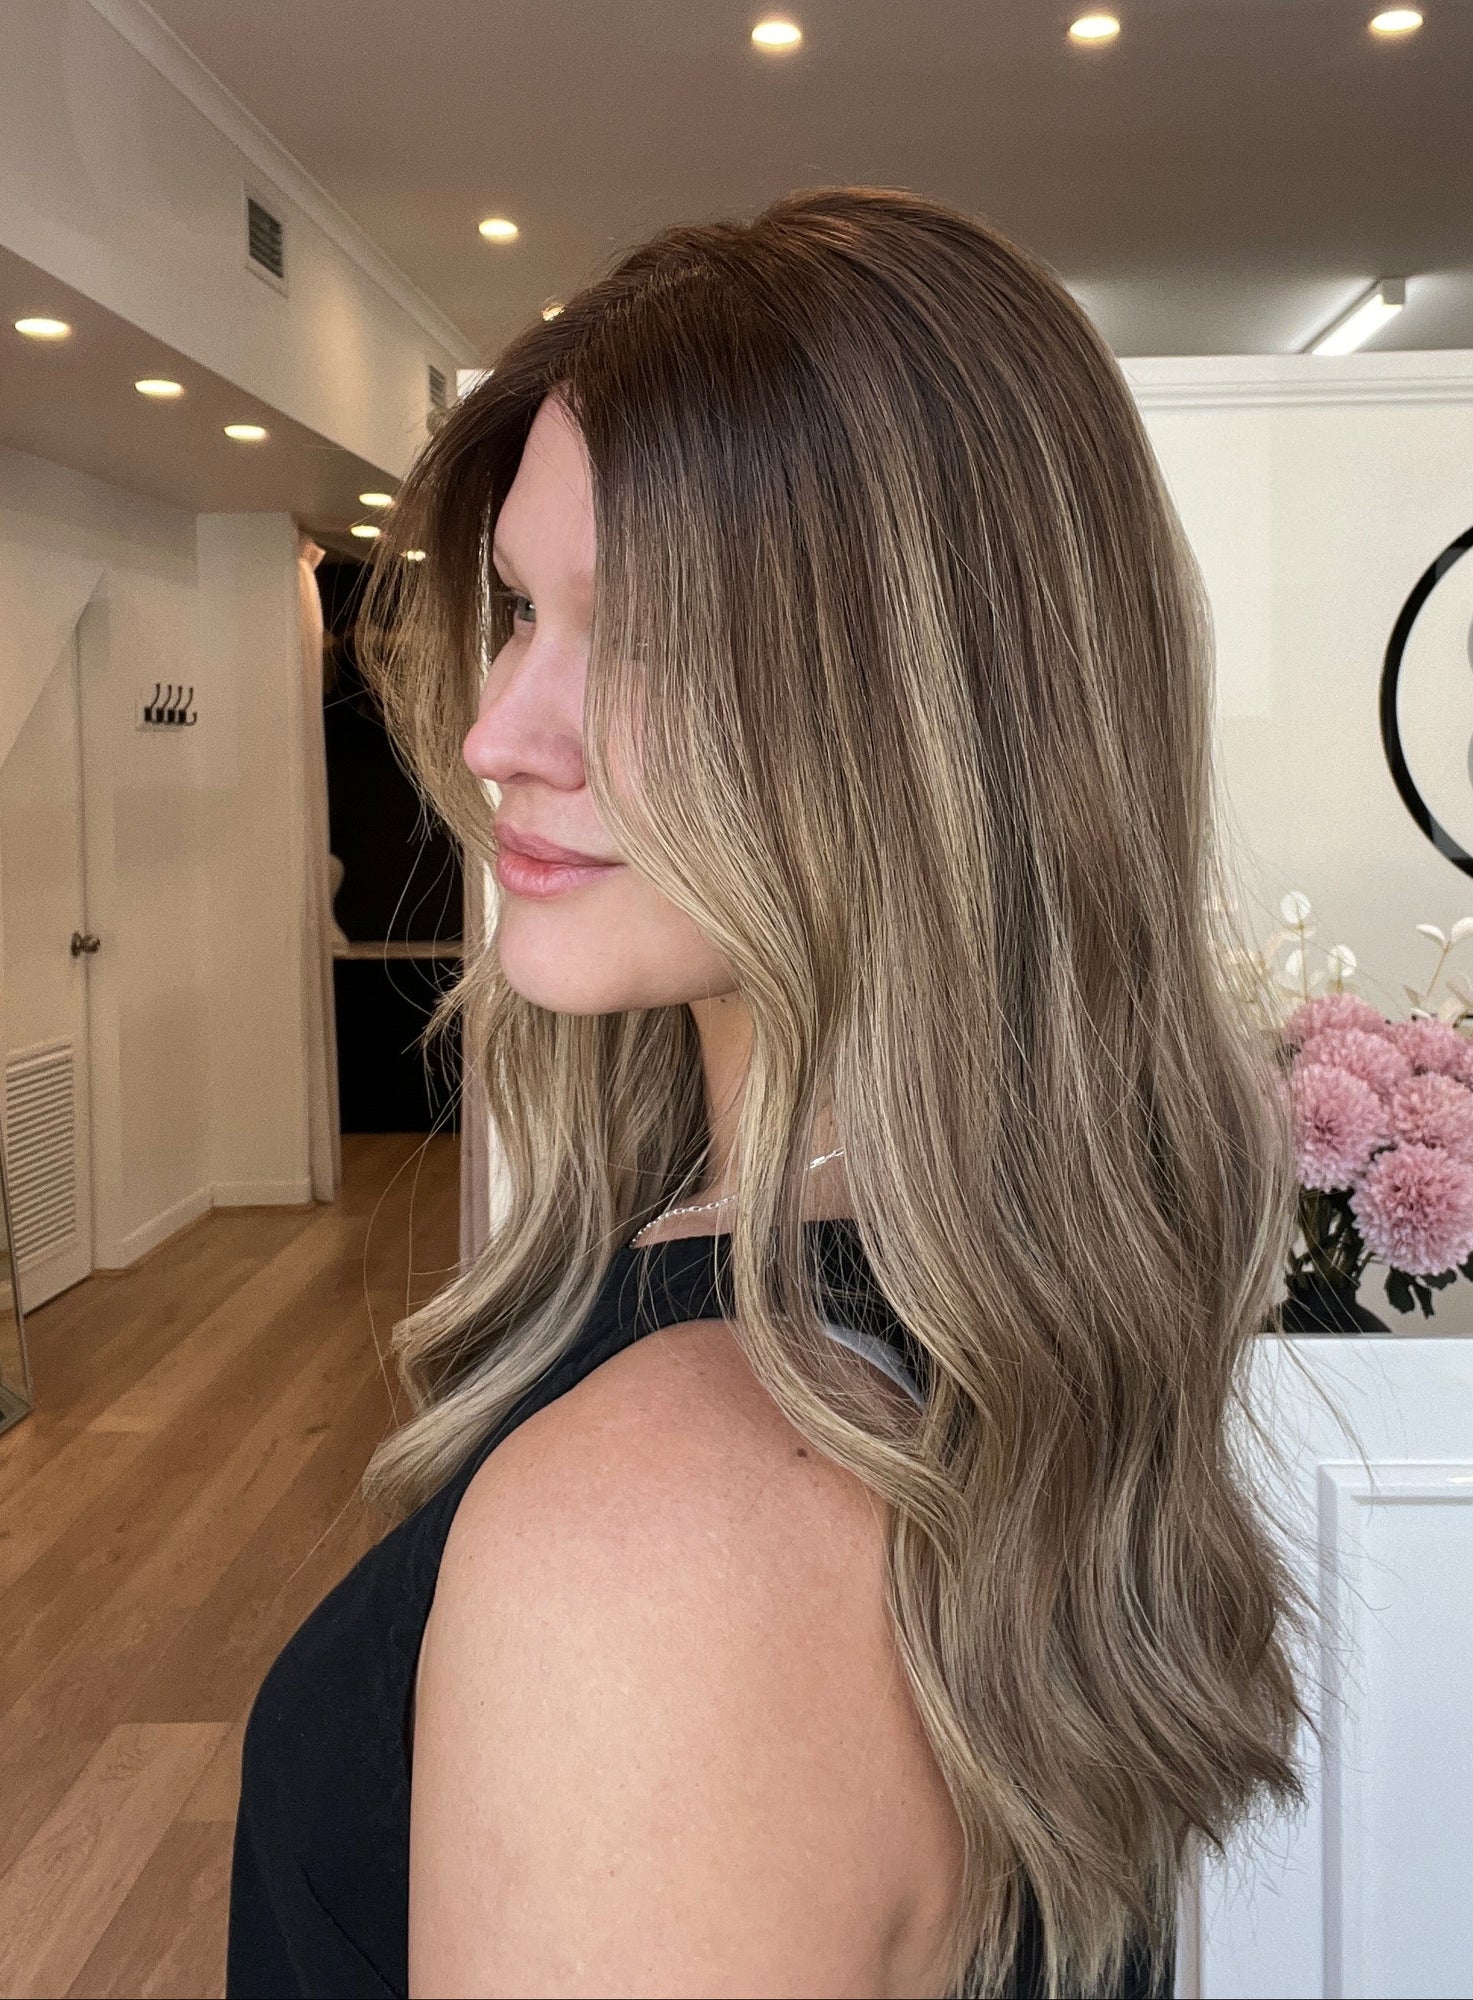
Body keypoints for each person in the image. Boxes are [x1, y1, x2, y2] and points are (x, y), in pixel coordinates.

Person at [227, 185, 1310, 2000]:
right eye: (517, 609)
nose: (500, 730)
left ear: (928, 708)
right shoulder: (969, 1323)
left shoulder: (669, 1551)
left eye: (639, 629)